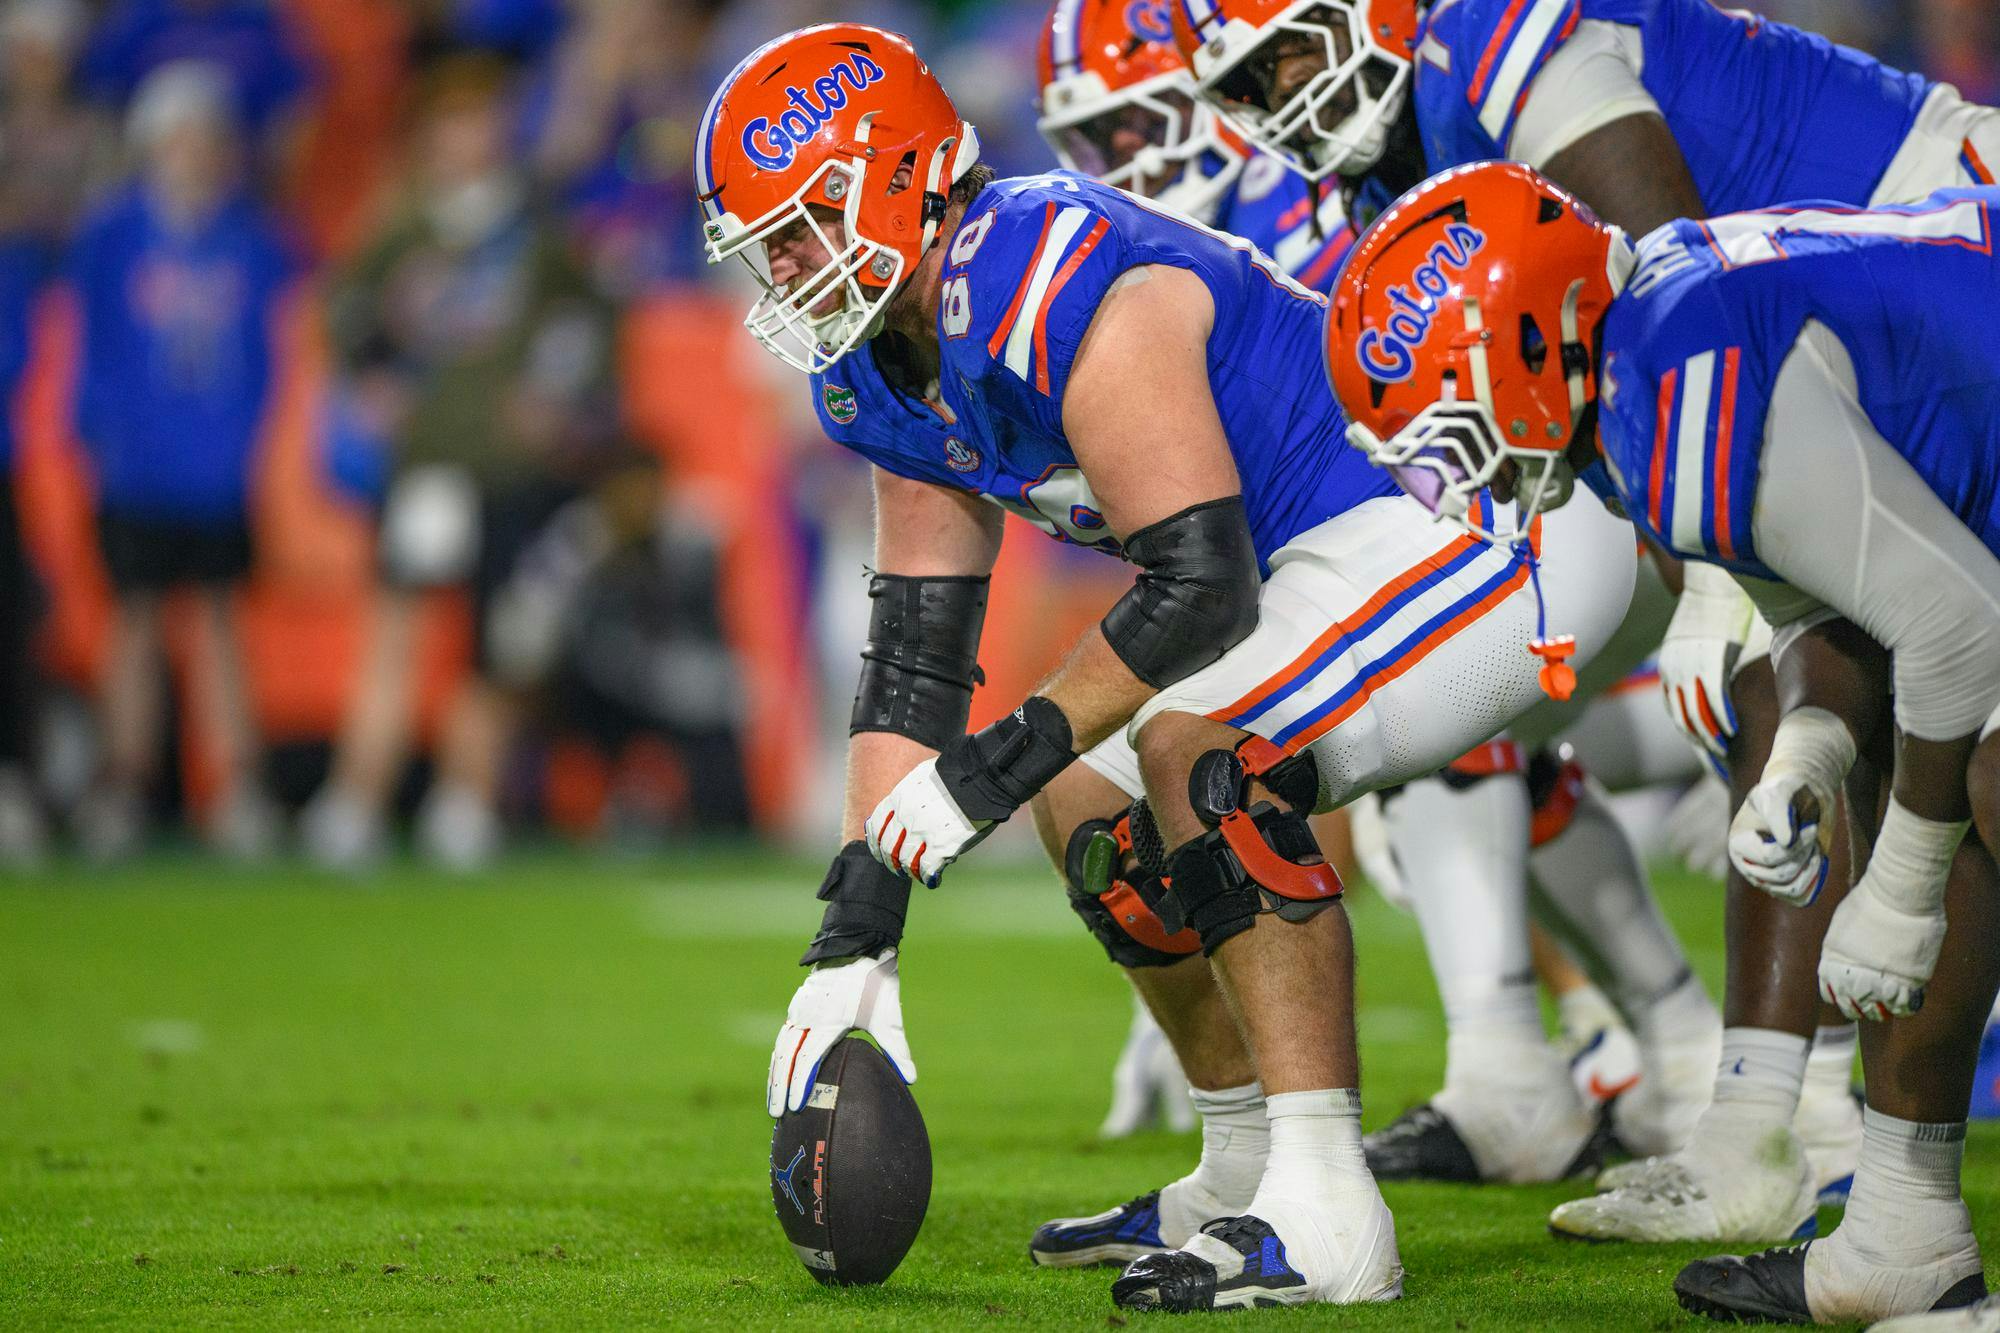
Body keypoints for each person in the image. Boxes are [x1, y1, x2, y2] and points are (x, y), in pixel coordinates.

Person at [704, 23, 1646, 1313]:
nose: (783, 268)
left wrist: (986, 767)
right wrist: (852, 934)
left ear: (897, 175)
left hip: (1464, 507)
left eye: (803, 225)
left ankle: (1328, 1209)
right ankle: (1241, 1154)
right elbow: (916, 659)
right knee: (1082, 796)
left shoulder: (1045, 262)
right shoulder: (879, 367)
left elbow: (1198, 585)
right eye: (767, 242)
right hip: (1320, 566)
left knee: (1202, 754)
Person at [1168, 0, 2000, 1243]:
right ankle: (1846, 1185)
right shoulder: (1482, 255)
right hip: (1827, 359)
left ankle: (1799, 1129)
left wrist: (1901, 879)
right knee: (1865, 726)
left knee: (1949, 760)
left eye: (1288, 47)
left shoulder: (1497, 53)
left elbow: (1666, 253)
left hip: (1911, 266)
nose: (1278, 93)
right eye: (1245, 79)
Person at [1032, 0, 1719, 1191]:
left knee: (1443, 738)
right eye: (1092, 147)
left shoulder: (1289, 219)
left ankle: (1586, 1058)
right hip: (1536, 532)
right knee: (1469, 750)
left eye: (1137, 122)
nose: (1124, 165)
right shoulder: (1197, 251)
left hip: (1606, 503)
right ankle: (1645, 1045)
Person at [1325, 157, 2000, 1327]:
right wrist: (1808, 749)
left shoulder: (1678, 380)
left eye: (1454, 419)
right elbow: (1824, 610)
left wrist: (1897, 884)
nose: (1457, 473)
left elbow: (1955, 628)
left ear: (1533, 348)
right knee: (1913, 762)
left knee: (1978, 780)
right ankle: (1901, 1232)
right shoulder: (1644, 360)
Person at [303, 55, 613, 871]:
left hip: (508, 465)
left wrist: (559, 397)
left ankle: (465, 797)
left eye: (484, 119)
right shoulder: (404, 225)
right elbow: (343, 307)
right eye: (457, 120)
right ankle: (357, 796)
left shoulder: (534, 227)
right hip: (430, 458)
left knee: (493, 644)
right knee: (398, 627)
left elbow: (592, 318)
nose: (473, 136)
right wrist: (368, 376)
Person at [69, 61, 294, 862]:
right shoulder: (113, 234)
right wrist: (99, 434)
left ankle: (234, 786)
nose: (195, 154)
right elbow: (91, 349)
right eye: (181, 138)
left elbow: (270, 357)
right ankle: (124, 783)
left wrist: (252, 445)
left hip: (217, 465)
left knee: (220, 625)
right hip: (138, 462)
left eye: (207, 139)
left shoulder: (252, 238)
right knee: (132, 626)